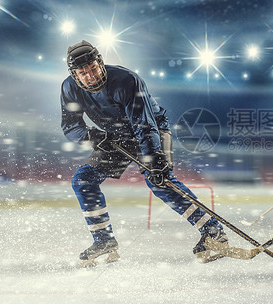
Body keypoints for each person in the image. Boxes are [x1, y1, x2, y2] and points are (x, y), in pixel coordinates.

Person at [60, 40, 227, 266]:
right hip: (115, 138)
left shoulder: (126, 80)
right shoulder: (69, 88)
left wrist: (155, 158)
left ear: (100, 62)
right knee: (83, 181)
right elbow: (70, 125)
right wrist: (92, 137)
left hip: (152, 130)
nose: (90, 75)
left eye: (93, 68)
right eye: (83, 72)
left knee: (159, 181)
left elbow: (144, 124)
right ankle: (104, 240)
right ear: (75, 75)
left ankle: (213, 232)